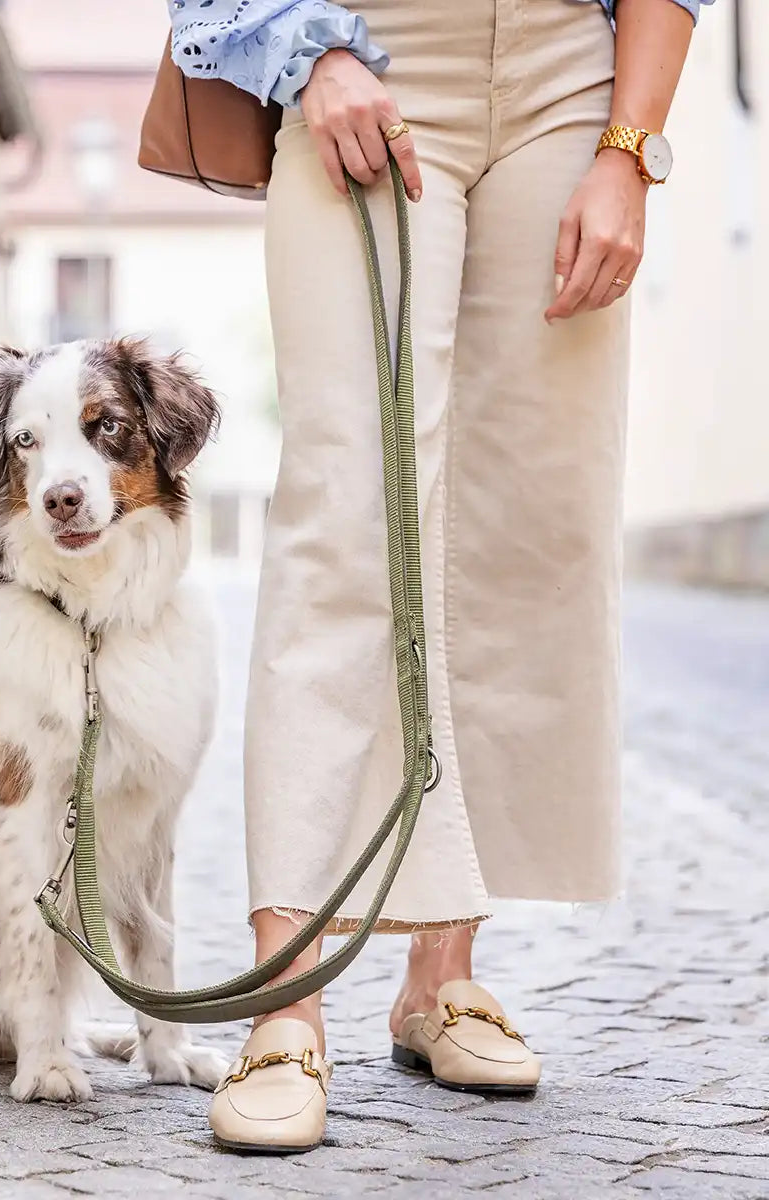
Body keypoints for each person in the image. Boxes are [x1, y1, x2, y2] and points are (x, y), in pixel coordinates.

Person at [168, 0, 705, 1153]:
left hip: (571, 75)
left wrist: (631, 150)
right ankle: (286, 999)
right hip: (370, 54)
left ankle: (440, 976)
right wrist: (306, 53)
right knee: (345, 509)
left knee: (519, 528)